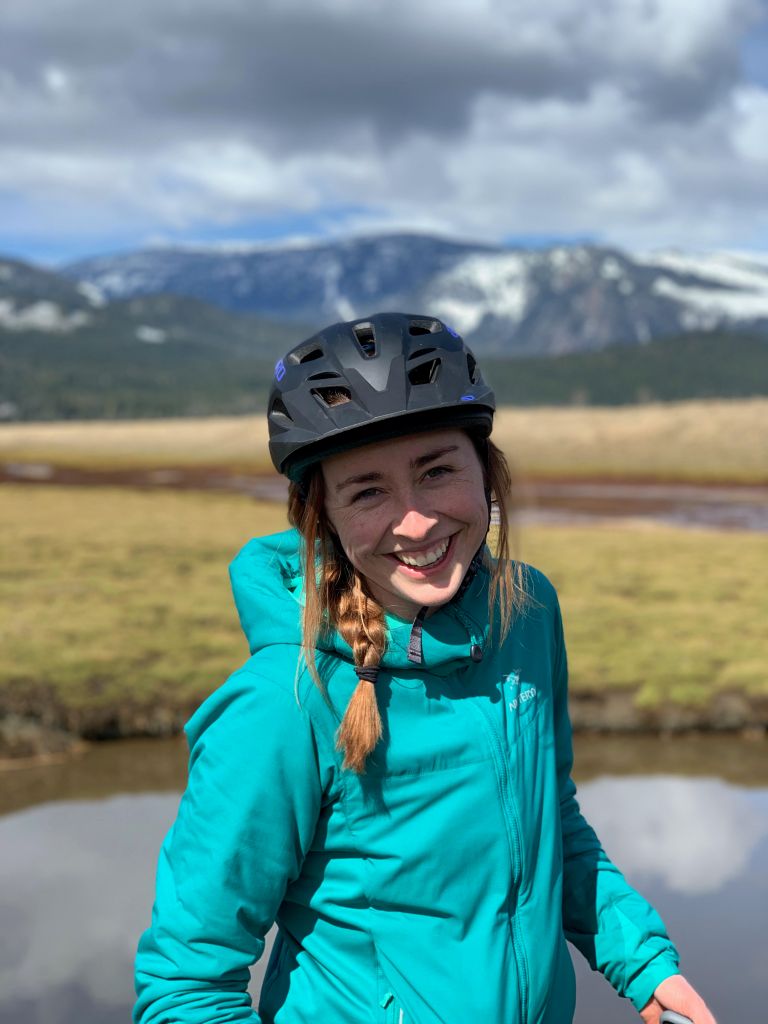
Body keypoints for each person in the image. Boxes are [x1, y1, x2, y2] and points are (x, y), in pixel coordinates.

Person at [134, 313, 716, 1024]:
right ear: (321, 514)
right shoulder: (284, 700)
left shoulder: (527, 615)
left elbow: (550, 820)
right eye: (367, 491)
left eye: (436, 471)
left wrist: (643, 962)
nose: (415, 523)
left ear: (486, 471)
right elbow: (184, 987)